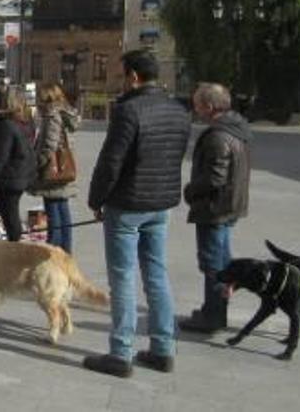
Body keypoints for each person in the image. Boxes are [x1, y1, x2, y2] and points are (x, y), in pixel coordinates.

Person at [84, 49, 190, 378]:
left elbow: (111, 161)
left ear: (133, 76)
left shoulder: (128, 110)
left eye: (122, 73)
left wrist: (96, 199)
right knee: (156, 274)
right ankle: (163, 347)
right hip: (160, 203)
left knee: (123, 277)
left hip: (127, 204)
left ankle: (121, 352)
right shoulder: (178, 110)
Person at [179, 82, 251, 334]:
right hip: (230, 205)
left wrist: (190, 190)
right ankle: (215, 309)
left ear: (209, 107)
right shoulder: (236, 127)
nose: (195, 108)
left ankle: (213, 316)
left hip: (215, 208)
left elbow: (214, 178)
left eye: (197, 104)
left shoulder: (217, 136)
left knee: (212, 263)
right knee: (221, 260)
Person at [32, 83, 82, 253]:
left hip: (52, 171)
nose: (38, 101)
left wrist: (37, 163)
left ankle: (54, 251)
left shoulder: (52, 115)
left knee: (54, 213)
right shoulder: (65, 113)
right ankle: (66, 252)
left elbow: (49, 145)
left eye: (41, 97)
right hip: (64, 169)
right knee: (62, 209)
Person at [0, 88, 36, 241]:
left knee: (10, 217)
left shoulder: (7, 125)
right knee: (11, 215)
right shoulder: (25, 123)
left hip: (9, 178)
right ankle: (14, 248)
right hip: (20, 174)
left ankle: (15, 252)